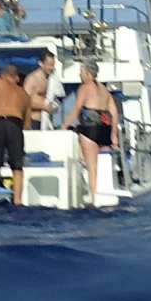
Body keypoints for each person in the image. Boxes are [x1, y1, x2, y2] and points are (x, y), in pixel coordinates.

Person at [61, 61, 119, 204]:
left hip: (90, 127)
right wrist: (114, 134)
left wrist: (65, 125)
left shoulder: (84, 87)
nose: (79, 74)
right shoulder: (104, 89)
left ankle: (94, 198)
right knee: (104, 165)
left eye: (81, 71)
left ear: (88, 73)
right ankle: (106, 193)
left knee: (92, 167)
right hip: (105, 127)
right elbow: (114, 112)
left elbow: (78, 108)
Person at [0, 60, 30, 205]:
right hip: (15, 124)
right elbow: (27, 123)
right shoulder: (24, 94)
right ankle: (17, 200)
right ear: (16, 78)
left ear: (3, 75)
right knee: (17, 166)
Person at [23, 50, 59, 129]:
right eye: (49, 65)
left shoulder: (52, 79)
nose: (52, 68)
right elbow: (25, 101)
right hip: (34, 120)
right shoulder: (33, 78)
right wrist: (44, 106)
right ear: (41, 64)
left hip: (47, 121)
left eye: (53, 65)